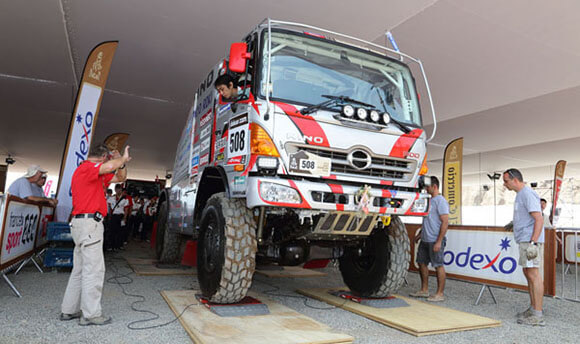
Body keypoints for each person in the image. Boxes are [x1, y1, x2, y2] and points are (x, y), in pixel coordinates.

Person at [60, 144, 131, 326]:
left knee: (80, 269)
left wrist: (121, 164)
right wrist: (121, 158)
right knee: (94, 270)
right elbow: (108, 167)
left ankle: (69, 310)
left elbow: (121, 177)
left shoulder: (94, 174)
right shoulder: (88, 168)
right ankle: (90, 314)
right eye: (108, 159)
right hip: (89, 223)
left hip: (83, 224)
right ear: (103, 157)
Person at [503, 168, 545, 326]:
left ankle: (538, 315)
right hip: (524, 239)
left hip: (529, 240)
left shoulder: (527, 194)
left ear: (515, 180)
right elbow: (528, 217)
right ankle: (533, 308)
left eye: (506, 181)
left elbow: (538, 219)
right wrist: (514, 223)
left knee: (533, 274)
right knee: (528, 272)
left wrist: (533, 243)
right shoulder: (521, 195)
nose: (504, 184)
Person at [410, 176, 449, 302]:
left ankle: (440, 293)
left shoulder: (440, 201)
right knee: (421, 263)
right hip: (425, 239)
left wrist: (439, 241)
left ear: (435, 186)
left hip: (435, 239)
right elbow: (428, 220)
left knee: (438, 265)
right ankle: (424, 290)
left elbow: (445, 222)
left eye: (428, 186)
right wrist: (420, 234)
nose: (426, 189)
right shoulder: (428, 200)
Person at [109, 184, 129, 251]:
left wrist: (125, 218)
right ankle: (111, 246)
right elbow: (108, 207)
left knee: (119, 232)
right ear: (115, 190)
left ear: (121, 190)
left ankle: (118, 246)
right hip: (113, 216)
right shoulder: (112, 198)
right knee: (112, 231)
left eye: (119, 189)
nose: (118, 190)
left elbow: (126, 209)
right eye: (117, 189)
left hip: (120, 216)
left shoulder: (125, 199)